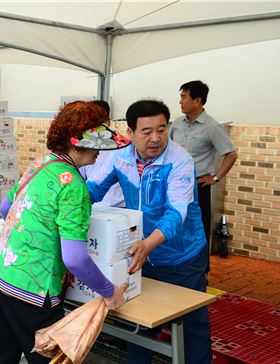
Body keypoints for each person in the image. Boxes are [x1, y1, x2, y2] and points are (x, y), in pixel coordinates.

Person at [0, 101, 128, 363]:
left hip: (0, 273)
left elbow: (7, 209)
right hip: (33, 289)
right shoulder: (73, 185)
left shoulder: (42, 163)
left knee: (2, 353)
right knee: (49, 357)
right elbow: (74, 258)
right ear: (77, 143)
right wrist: (109, 292)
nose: (99, 152)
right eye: (96, 143)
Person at [86, 99, 210, 364]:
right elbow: (93, 190)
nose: (156, 138)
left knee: (191, 323)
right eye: (147, 131)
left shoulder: (180, 160)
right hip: (141, 252)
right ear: (129, 133)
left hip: (182, 255)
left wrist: (148, 244)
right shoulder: (120, 157)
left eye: (162, 129)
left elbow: (177, 213)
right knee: (139, 321)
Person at [170, 80, 238, 270]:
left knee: (198, 229)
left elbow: (231, 154)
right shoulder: (176, 124)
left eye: (184, 97)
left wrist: (215, 178)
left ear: (197, 100)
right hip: (175, 185)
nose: (180, 101)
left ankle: (201, 270)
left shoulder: (213, 126)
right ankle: (177, 265)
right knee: (175, 224)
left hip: (198, 186)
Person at [80, 100, 127, 208]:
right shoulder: (82, 150)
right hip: (93, 209)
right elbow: (80, 181)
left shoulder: (125, 149)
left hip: (122, 210)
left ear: (108, 122)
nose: (95, 129)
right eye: (91, 123)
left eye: (100, 123)